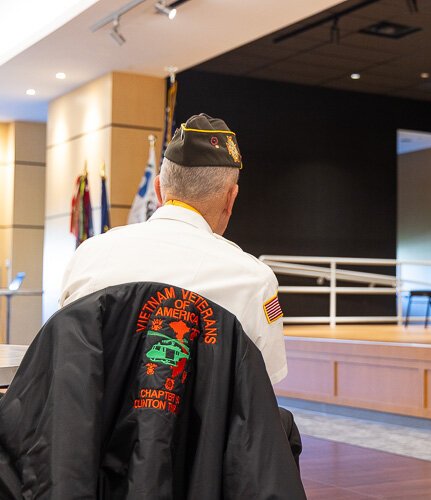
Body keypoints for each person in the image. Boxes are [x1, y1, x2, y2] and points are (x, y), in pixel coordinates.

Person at [59, 113, 301, 460]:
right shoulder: (252, 278)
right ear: (231, 198)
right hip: (196, 464)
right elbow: (260, 392)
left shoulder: (89, 255)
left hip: (88, 457)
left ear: (158, 189)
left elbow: (68, 361)